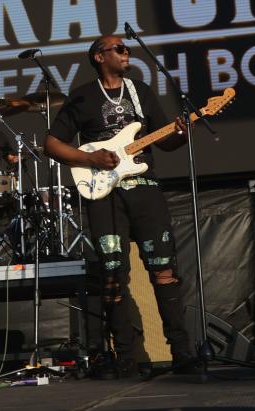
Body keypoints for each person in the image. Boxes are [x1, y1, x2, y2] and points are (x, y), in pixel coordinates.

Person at [44, 36, 195, 378]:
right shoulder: (82, 96)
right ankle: (124, 357)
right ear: (100, 56)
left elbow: (165, 139)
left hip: (145, 190)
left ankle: (182, 352)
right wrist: (89, 157)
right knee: (114, 274)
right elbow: (51, 143)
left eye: (127, 49)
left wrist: (181, 133)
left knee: (164, 270)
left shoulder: (140, 90)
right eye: (120, 49)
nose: (127, 53)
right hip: (105, 194)